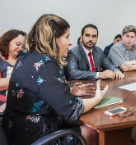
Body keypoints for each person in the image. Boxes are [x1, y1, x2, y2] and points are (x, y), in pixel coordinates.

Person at [2, 14, 108, 145]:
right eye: (67, 36)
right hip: (38, 137)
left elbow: (40, 90)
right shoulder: (46, 64)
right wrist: (98, 97)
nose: (70, 42)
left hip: (16, 132)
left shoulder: (26, 58)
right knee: (92, 132)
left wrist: (69, 90)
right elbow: (72, 110)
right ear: (53, 39)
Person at [0, 29, 26, 112]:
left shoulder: (24, 61)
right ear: (7, 42)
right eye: (17, 44)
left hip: (20, 111)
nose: (20, 48)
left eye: (23, 46)